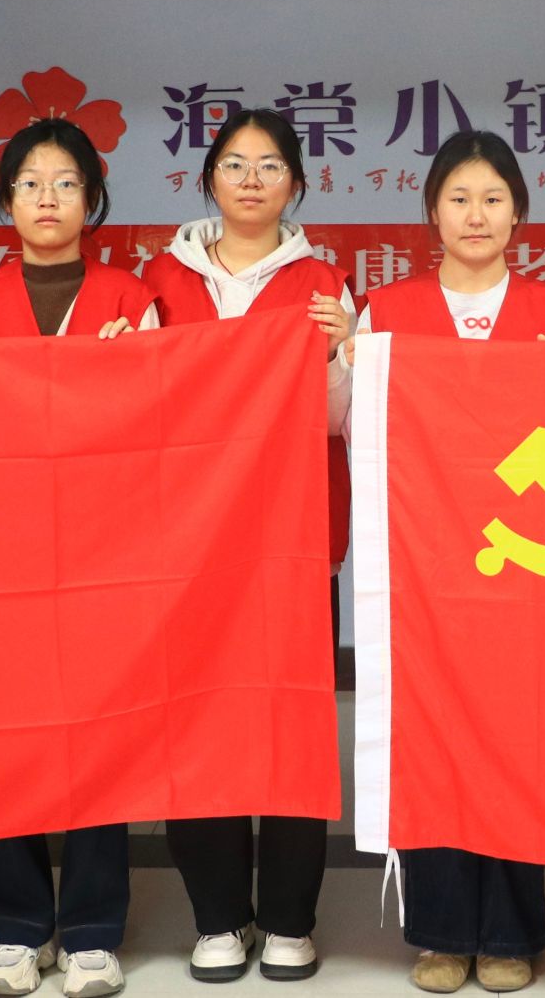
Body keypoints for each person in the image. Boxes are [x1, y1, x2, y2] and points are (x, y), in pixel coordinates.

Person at [341, 130, 545, 995]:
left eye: (492, 198)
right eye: (458, 198)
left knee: (519, 739)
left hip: (530, 563)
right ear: (431, 212)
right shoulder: (384, 311)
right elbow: (344, 423)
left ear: (519, 212)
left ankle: (511, 930)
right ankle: (443, 930)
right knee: (433, 737)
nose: (475, 215)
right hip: (423, 565)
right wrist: (342, 363)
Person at [141, 108, 353, 983]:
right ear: (209, 180)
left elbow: (341, 421)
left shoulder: (324, 281)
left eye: (271, 165)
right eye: (235, 163)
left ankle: (292, 918)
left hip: (293, 540)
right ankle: (219, 916)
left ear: (296, 183)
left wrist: (339, 354)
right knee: (197, 722)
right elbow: (136, 406)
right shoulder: (159, 279)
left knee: (292, 721)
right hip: (186, 541)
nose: (253, 179)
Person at [0, 118, 153, 998]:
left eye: (66, 182)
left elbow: (162, 423)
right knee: (8, 738)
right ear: (6, 201)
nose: (47, 198)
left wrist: (132, 368)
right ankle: (18, 928)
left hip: (104, 547)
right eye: (29, 182)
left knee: (101, 735)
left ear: (92, 199)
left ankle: (94, 931)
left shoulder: (131, 298)